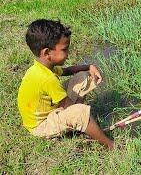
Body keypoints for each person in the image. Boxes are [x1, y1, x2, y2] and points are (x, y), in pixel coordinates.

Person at [17, 19, 114, 149]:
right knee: (79, 113)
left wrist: (88, 66)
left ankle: (82, 124)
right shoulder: (47, 78)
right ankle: (110, 145)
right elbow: (69, 107)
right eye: (64, 49)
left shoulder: (43, 67)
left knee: (83, 77)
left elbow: (68, 71)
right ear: (47, 53)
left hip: (52, 108)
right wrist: (80, 112)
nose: (68, 54)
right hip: (41, 126)